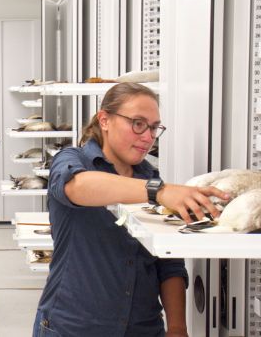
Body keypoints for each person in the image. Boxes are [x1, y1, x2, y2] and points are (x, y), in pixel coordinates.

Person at [32, 83, 229, 337]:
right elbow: (78, 187)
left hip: (143, 328)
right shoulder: (72, 160)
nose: (148, 137)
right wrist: (158, 191)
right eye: (138, 123)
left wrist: (178, 328)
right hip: (74, 327)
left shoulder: (149, 175)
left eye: (154, 127)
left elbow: (168, 264)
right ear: (105, 119)